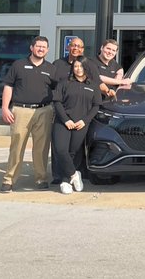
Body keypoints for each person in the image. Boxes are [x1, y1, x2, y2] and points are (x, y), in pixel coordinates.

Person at [0, 36, 56, 193]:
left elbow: (58, 90)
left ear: (48, 50)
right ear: (32, 47)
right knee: (17, 146)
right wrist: (5, 108)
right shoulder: (19, 65)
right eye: (38, 46)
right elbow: (8, 87)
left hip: (44, 111)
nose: (41, 49)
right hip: (20, 111)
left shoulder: (51, 68)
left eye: (44, 47)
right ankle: (9, 180)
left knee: (42, 148)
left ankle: (41, 179)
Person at [52, 58, 101, 195]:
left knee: (72, 153)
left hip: (81, 124)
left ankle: (65, 181)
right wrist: (66, 120)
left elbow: (96, 106)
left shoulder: (93, 85)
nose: (78, 69)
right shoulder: (64, 83)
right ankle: (74, 174)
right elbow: (57, 102)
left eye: (81, 66)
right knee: (61, 150)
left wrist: (85, 121)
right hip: (63, 122)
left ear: (87, 68)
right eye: (76, 66)